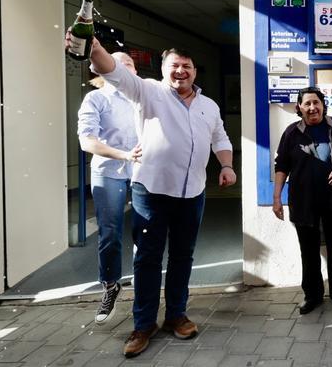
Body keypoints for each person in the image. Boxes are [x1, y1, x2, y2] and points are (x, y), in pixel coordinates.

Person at [66, 35, 236, 359]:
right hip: (151, 192)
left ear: (195, 72)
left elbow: (220, 138)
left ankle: (176, 315)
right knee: (147, 259)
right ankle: (143, 324)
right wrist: (94, 47)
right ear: (163, 69)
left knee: (183, 257)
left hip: (193, 193)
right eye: (175, 65)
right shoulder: (148, 91)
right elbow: (114, 71)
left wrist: (226, 165)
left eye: (187, 66)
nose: (181, 71)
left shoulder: (209, 106)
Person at [272, 87, 332, 316]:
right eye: (307, 104)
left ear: (323, 104)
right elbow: (281, 166)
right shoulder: (291, 133)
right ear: (299, 108)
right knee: (308, 251)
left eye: (316, 102)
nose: (312, 108)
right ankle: (313, 296)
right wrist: (277, 197)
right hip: (303, 201)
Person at [76, 52, 141, 325]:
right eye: (119, 64)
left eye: (130, 64)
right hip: (108, 171)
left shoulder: (146, 97)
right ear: (105, 70)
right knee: (110, 232)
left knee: (146, 231)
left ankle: (144, 286)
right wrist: (123, 155)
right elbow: (87, 142)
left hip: (143, 170)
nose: (125, 68)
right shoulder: (96, 99)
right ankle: (111, 286)